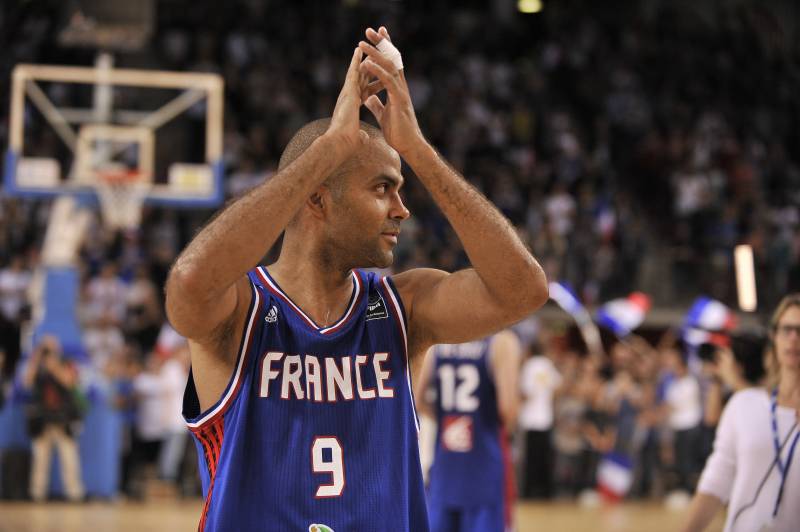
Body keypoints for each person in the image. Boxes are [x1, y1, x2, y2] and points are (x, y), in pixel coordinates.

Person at [165, 27, 548, 531]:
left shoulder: (404, 308)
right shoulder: (241, 310)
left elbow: (524, 290)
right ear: (318, 198)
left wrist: (417, 150)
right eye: (383, 188)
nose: (402, 209)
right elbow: (188, 284)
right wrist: (327, 151)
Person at [682, 294, 800, 532]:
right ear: (774, 337)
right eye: (787, 329)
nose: (794, 338)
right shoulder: (743, 404)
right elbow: (715, 484)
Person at [416, 330, 521, 532]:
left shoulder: (437, 344)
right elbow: (507, 410)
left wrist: (449, 421)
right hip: (483, 469)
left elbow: (416, 398)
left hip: (445, 470)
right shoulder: (502, 341)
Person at [22, 336, 85, 502]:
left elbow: (70, 382)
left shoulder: (66, 363)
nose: (48, 352)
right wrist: (36, 358)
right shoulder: (37, 367)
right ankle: (37, 494)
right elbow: (26, 383)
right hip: (42, 419)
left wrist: (55, 366)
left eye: (51, 349)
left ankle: (74, 494)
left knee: (69, 458)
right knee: (40, 459)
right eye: (46, 349)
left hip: (63, 419)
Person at [518, 340, 562, 499]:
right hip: (545, 417)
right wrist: (547, 397)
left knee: (530, 459)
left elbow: (526, 392)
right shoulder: (547, 365)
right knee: (544, 458)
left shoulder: (529, 366)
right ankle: (546, 492)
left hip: (530, 418)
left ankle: (529, 492)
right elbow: (558, 385)